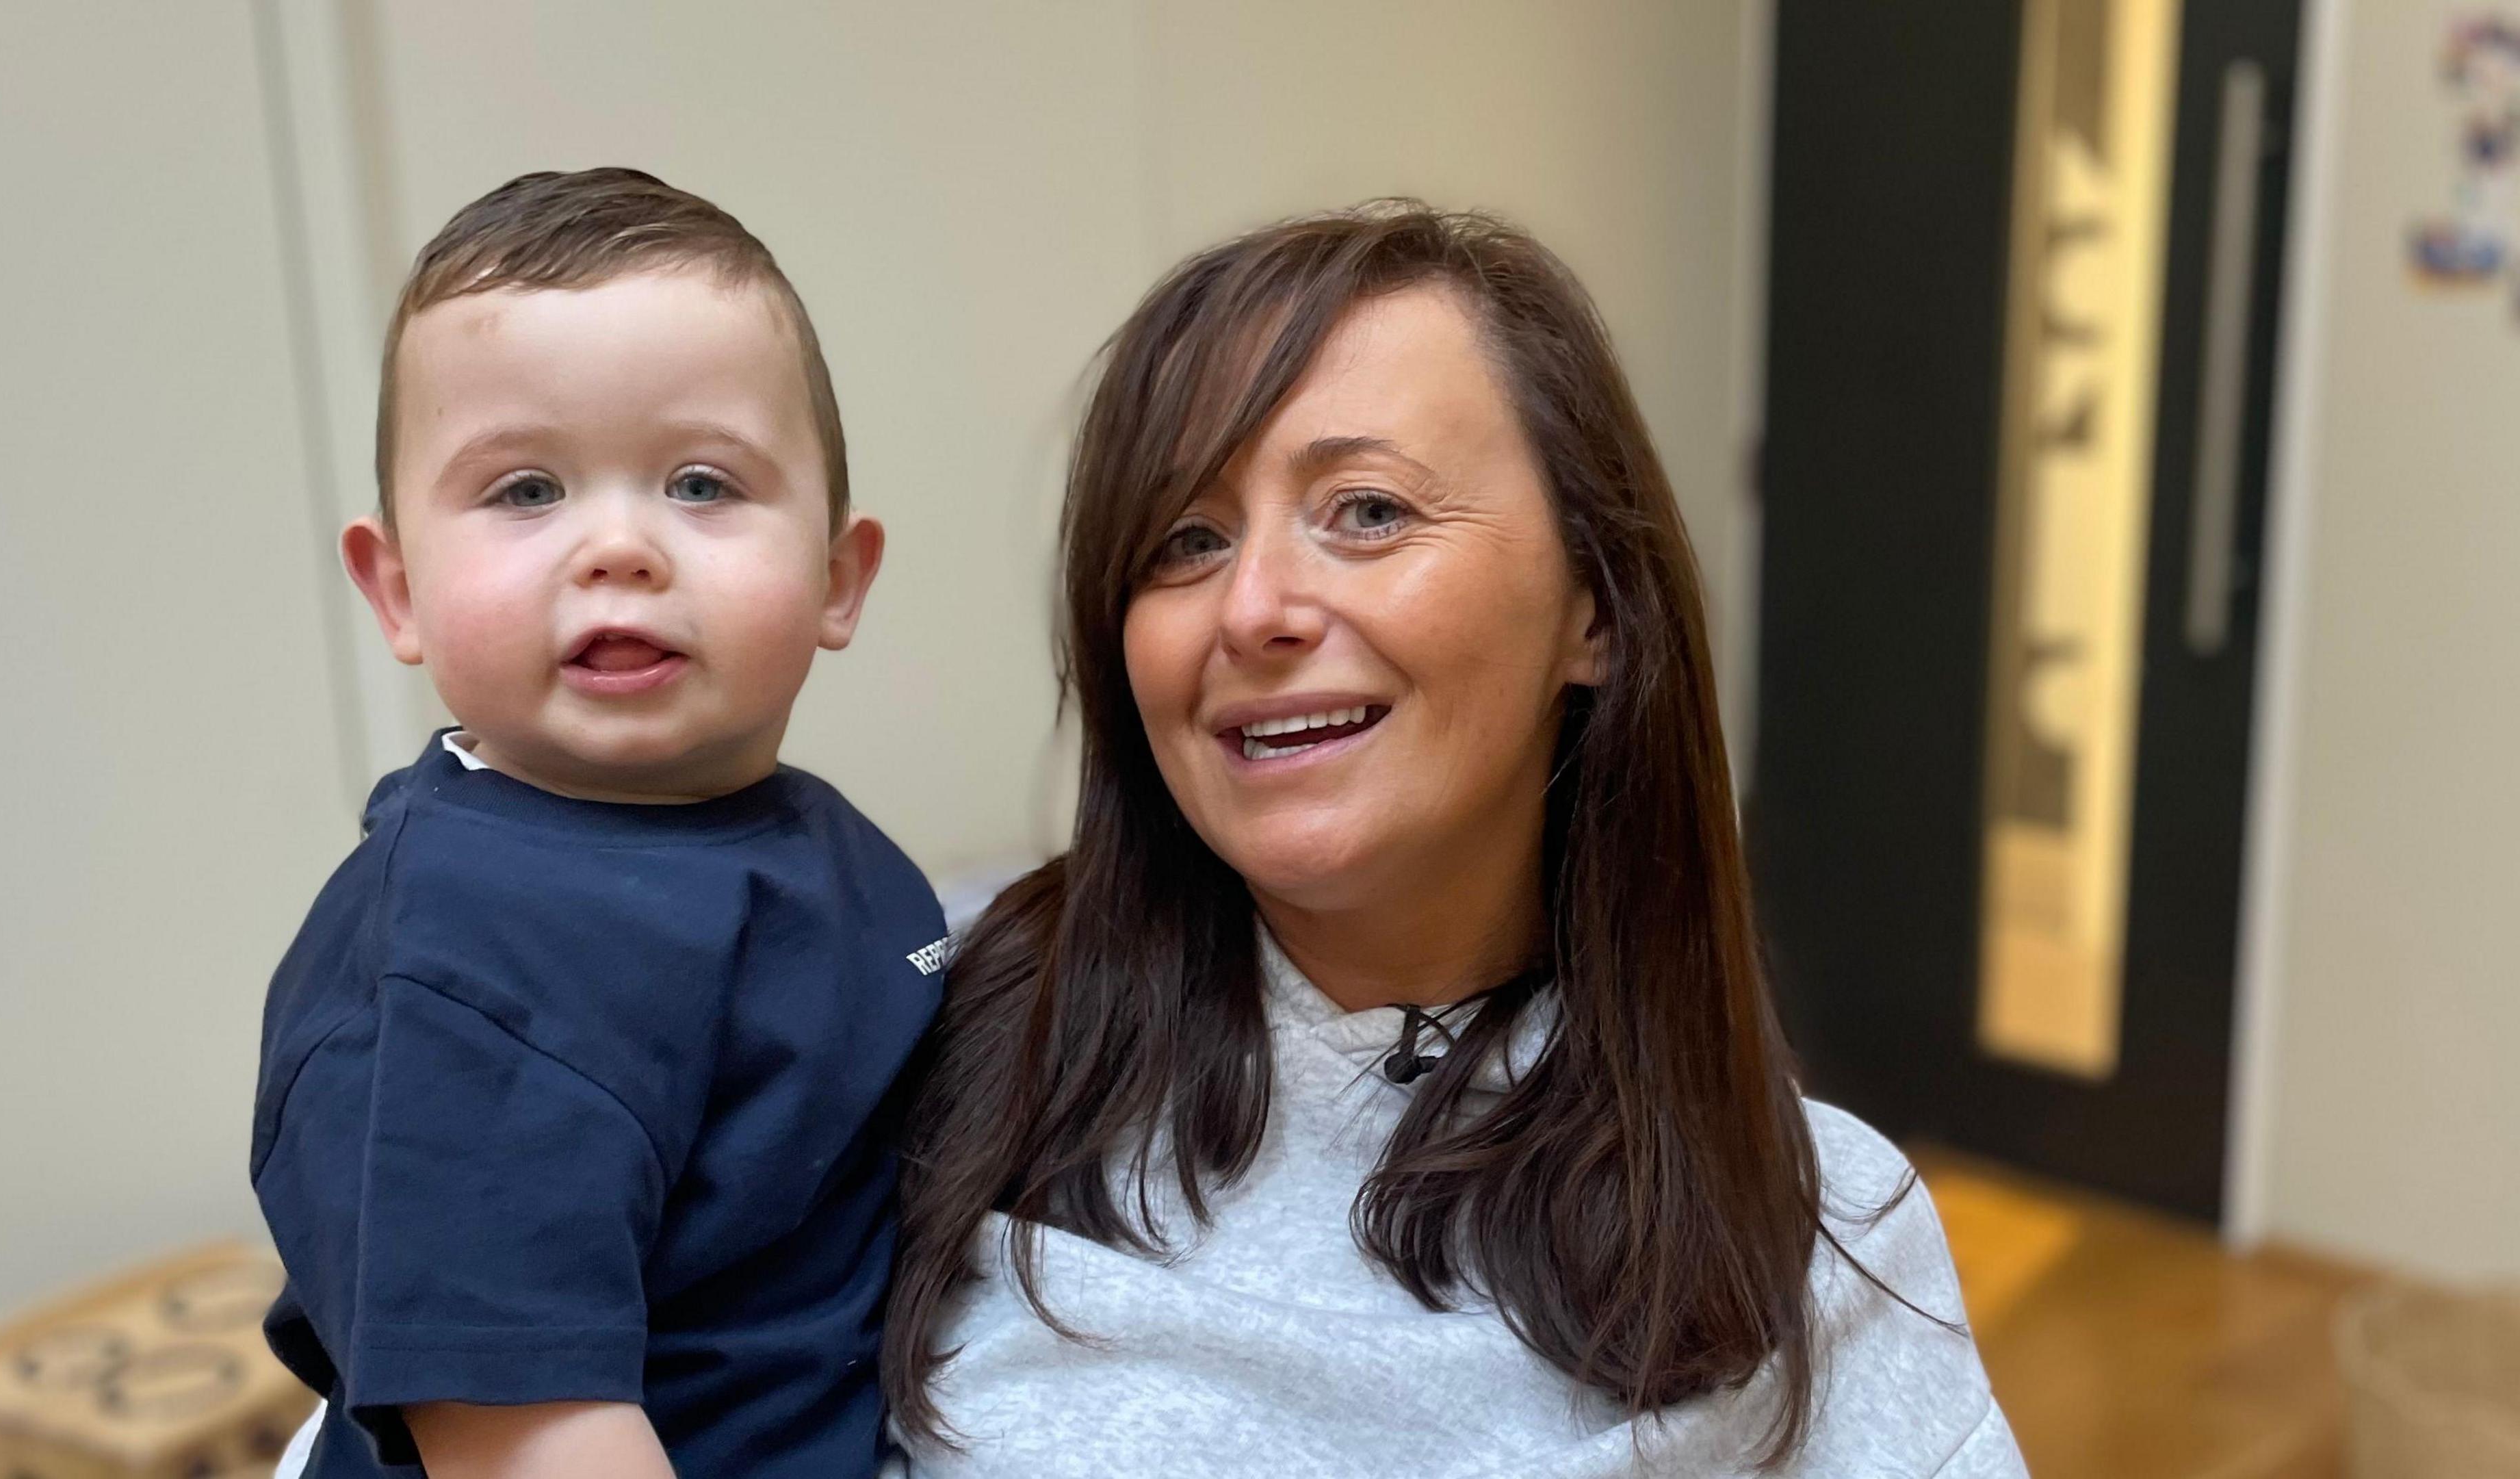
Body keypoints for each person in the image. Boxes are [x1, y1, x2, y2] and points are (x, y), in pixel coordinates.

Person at [881, 203, 2027, 1477]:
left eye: (1366, 511)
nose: (1252, 608)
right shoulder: (937, 1045)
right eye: (1186, 541)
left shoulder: (1822, 1237)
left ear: (1593, 608)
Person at [250, 168, 948, 1479]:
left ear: (837, 580)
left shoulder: (821, 847)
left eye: (700, 482)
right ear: (397, 590)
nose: (618, 545)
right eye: (525, 490)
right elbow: (522, 1436)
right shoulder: (461, 981)